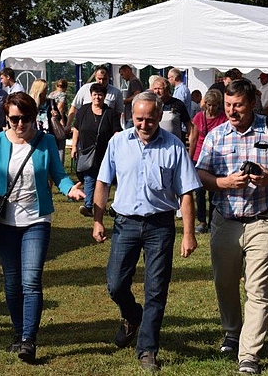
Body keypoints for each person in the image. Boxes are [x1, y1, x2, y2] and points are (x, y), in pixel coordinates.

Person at [0, 92, 84, 363]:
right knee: (12, 283)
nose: (20, 124)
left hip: (36, 220)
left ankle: (29, 340)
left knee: (30, 280)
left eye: (26, 118)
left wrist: (70, 190)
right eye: (14, 119)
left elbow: (59, 175)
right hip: (4, 222)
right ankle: (19, 333)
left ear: (34, 117)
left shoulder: (45, 142)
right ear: (6, 118)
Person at [92, 91, 201, 372]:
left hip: (160, 226)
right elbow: (103, 182)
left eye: (150, 119)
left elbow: (186, 192)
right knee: (115, 284)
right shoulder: (118, 143)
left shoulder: (174, 146)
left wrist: (189, 233)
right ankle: (132, 315)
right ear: (131, 116)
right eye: (139, 119)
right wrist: (97, 220)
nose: (144, 124)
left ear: (159, 116)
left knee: (156, 288)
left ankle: (147, 349)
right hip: (125, 223)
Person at [196, 78, 268, 374]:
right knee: (225, 282)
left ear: (252, 103)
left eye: (238, 105)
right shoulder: (216, 135)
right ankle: (232, 331)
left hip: (262, 219)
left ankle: (249, 354)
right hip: (225, 219)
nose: (232, 111)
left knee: (257, 287)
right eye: (228, 105)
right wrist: (223, 183)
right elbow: (200, 173)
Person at [72, 83, 121, 217]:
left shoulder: (110, 113)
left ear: (104, 96)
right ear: (91, 95)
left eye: (100, 95)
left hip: (105, 152)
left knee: (105, 180)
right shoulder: (83, 111)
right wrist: (74, 146)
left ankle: (101, 205)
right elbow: (76, 128)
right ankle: (88, 206)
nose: (97, 97)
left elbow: (117, 131)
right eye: (95, 95)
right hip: (87, 152)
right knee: (89, 178)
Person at [188, 89, 227, 233]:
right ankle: (202, 221)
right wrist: (189, 158)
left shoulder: (224, 118)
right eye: (209, 105)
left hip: (217, 158)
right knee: (199, 191)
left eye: (214, 105)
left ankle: (212, 221)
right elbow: (193, 139)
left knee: (213, 191)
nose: (211, 108)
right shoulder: (199, 117)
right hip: (199, 156)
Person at [64, 66, 123, 132]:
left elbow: (118, 113)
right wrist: (68, 125)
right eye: (99, 79)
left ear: (109, 77)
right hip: (86, 128)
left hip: (105, 130)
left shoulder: (116, 92)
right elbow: (74, 107)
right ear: (95, 76)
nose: (101, 81)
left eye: (104, 79)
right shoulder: (85, 89)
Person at [30, 79, 66, 162]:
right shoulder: (30, 103)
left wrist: (56, 115)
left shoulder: (51, 102)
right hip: (34, 135)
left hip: (49, 135)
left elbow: (59, 117)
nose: (47, 90)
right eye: (45, 88)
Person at [149, 77, 193, 142]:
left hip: (174, 143)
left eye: (160, 89)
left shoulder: (178, 104)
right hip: (155, 143)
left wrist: (191, 143)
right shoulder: (151, 104)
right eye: (155, 89)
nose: (157, 91)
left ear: (167, 89)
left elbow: (189, 125)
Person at [48, 78, 69, 163]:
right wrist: (62, 124)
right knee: (60, 143)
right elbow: (60, 109)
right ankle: (59, 164)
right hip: (58, 119)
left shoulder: (51, 94)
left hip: (50, 120)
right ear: (66, 87)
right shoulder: (63, 95)